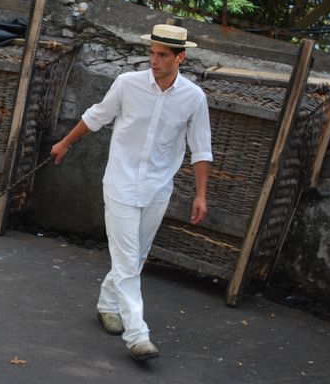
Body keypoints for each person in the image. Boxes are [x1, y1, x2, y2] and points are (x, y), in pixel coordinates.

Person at [50, 23, 212, 363]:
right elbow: (96, 117)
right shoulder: (127, 84)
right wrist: (65, 143)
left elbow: (201, 149)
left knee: (136, 256)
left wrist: (200, 195)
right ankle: (137, 335)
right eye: (151, 53)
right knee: (126, 260)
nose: (153, 60)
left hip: (158, 188)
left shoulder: (194, 98)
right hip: (120, 183)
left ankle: (108, 304)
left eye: (162, 55)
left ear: (180, 57)